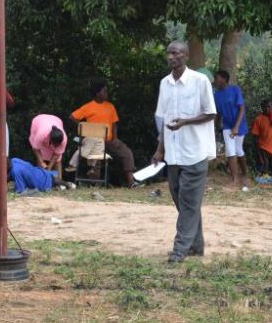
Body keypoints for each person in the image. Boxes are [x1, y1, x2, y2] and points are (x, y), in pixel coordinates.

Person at [152, 40, 217, 263]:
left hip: (195, 153)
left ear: (186, 56)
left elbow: (210, 114)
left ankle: (179, 250)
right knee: (182, 201)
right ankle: (196, 245)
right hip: (173, 154)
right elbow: (163, 118)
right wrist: (160, 149)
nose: (171, 57)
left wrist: (186, 122)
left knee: (188, 201)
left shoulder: (200, 81)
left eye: (176, 53)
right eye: (169, 53)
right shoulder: (165, 84)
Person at [69, 81, 136, 187]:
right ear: (97, 94)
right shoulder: (88, 107)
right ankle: (94, 185)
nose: (106, 93)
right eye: (104, 91)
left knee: (127, 153)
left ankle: (131, 182)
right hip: (94, 140)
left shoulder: (110, 106)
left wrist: (115, 138)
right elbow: (72, 117)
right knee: (95, 157)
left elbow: (114, 124)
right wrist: (84, 129)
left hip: (109, 140)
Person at [213, 70, 249, 189]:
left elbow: (242, 109)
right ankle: (235, 178)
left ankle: (244, 174)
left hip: (240, 124)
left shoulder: (235, 90)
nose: (215, 81)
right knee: (230, 150)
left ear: (224, 79)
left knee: (238, 150)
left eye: (217, 78)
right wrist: (215, 127)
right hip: (227, 125)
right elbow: (218, 113)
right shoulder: (216, 94)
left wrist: (237, 127)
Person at [250, 100, 272, 177]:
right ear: (262, 108)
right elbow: (255, 137)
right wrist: (259, 153)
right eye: (264, 107)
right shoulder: (259, 119)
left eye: (269, 107)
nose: (267, 109)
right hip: (263, 149)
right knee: (264, 171)